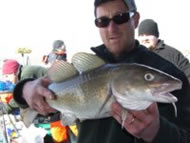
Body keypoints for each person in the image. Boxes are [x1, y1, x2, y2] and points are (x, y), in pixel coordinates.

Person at [13, 0, 190, 143]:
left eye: (120, 18)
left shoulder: (169, 74)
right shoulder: (82, 71)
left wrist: (157, 133)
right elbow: (37, 91)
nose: (111, 28)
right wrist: (24, 90)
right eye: (103, 21)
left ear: (135, 20)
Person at [138, 19, 190, 83]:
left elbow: (188, 74)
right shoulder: (135, 55)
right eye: (142, 35)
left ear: (156, 36)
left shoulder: (173, 54)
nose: (145, 38)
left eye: (149, 35)